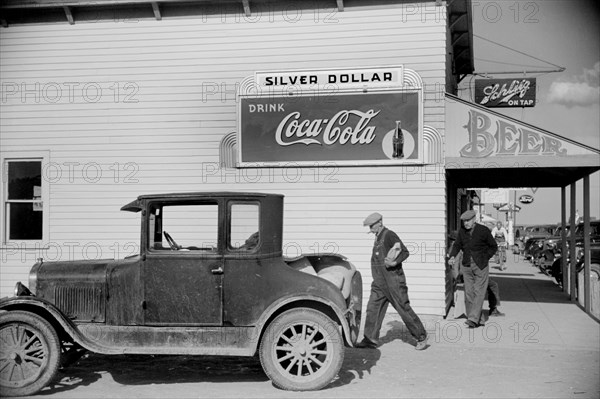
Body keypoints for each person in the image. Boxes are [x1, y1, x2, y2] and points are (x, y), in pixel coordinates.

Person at [356, 212, 428, 350]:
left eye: (372, 226)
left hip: (393, 280)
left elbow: (405, 252)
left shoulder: (389, 235)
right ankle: (370, 339)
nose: (370, 230)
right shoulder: (378, 237)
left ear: (380, 223)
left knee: (403, 307)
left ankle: (421, 337)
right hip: (379, 282)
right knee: (373, 308)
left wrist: (395, 263)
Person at [447, 210, 498, 328]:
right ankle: (478, 319)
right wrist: (452, 256)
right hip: (466, 265)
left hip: (481, 265)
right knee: (469, 293)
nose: (465, 223)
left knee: (479, 292)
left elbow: (493, 246)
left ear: (474, 219)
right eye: (464, 221)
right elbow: (457, 245)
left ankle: (473, 319)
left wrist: (486, 257)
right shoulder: (462, 232)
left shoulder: (483, 230)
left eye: (468, 221)